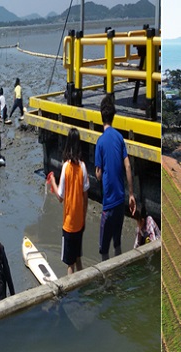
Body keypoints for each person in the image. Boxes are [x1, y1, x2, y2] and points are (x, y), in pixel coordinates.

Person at [94, 94, 136, 261]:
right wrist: (131, 194)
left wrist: (101, 173)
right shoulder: (119, 137)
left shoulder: (100, 141)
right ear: (114, 116)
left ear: (101, 116)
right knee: (117, 245)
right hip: (120, 201)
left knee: (103, 250)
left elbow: (98, 174)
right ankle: (119, 278)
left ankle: (107, 284)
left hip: (108, 203)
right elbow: (127, 166)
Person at [47, 128, 89, 275]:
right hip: (79, 223)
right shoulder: (83, 167)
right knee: (78, 259)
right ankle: (83, 287)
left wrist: (52, 180)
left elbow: (60, 197)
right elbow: (85, 196)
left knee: (69, 264)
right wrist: (83, 218)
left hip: (69, 225)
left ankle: (71, 297)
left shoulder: (66, 167)